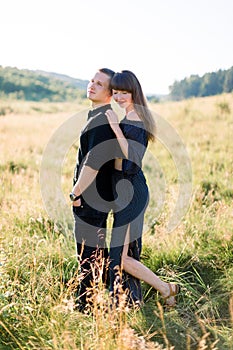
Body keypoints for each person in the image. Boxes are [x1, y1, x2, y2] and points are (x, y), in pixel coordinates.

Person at [105, 70, 179, 308]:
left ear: (133, 92)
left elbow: (132, 158)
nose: (118, 97)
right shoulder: (130, 116)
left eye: (123, 92)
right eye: (115, 92)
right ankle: (135, 297)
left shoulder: (134, 117)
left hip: (131, 191)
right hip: (125, 190)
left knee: (120, 256)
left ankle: (166, 289)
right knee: (123, 254)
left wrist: (115, 129)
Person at [70, 68, 116, 312]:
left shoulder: (100, 120)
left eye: (100, 84)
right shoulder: (99, 115)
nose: (92, 85)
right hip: (95, 198)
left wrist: (75, 193)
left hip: (91, 198)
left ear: (109, 93)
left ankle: (83, 307)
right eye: (92, 80)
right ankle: (119, 294)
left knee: (87, 254)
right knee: (96, 252)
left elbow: (93, 162)